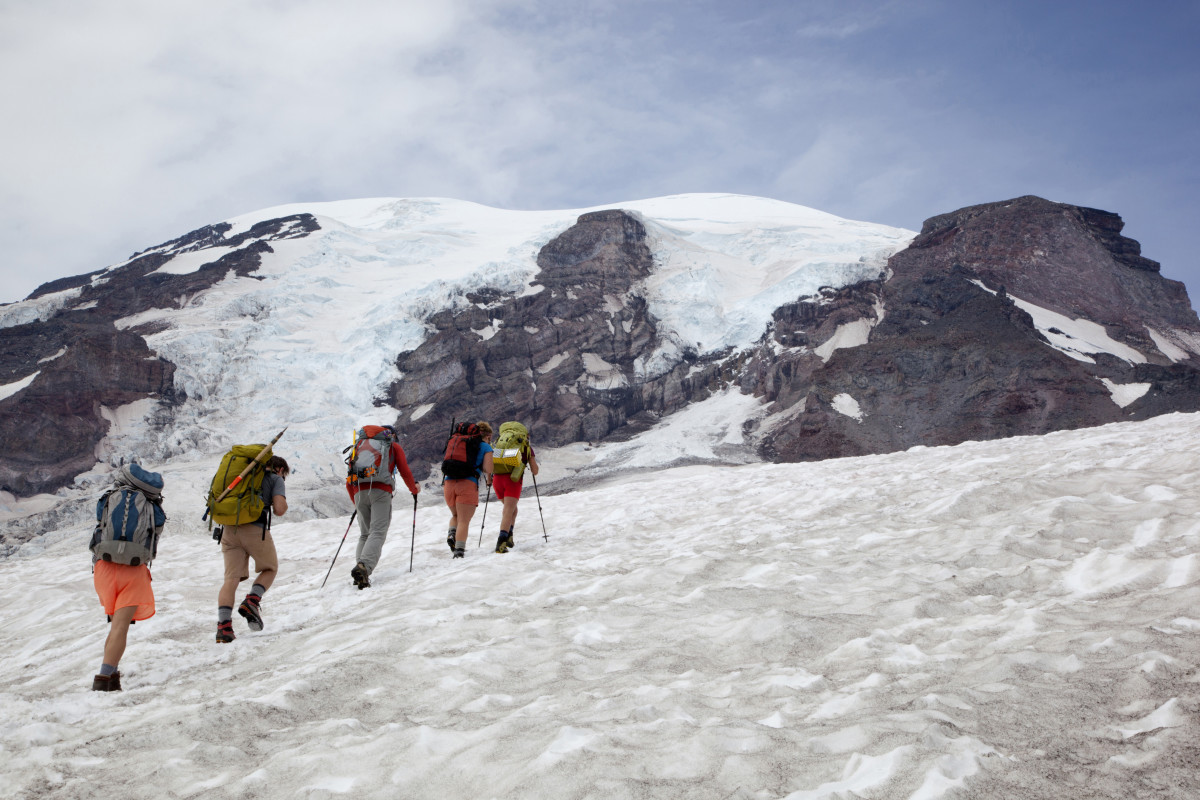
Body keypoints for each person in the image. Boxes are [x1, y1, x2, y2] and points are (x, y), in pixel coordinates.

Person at [91, 465, 165, 691]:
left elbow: (100, 524)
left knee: (115, 625)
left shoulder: (108, 498)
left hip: (104, 568)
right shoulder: (153, 507)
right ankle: (103, 679)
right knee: (121, 627)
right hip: (133, 571)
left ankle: (112, 677)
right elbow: (156, 531)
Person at [217, 455, 289, 642]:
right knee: (270, 568)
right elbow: (280, 510)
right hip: (255, 529)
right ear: (280, 469)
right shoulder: (275, 479)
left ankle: (224, 628)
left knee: (230, 579)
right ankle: (252, 601)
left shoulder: (242, 477)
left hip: (229, 530)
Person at [346, 426, 420, 589]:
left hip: (359, 491)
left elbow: (349, 478)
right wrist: (413, 489)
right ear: (390, 435)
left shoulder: (360, 446)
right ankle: (364, 567)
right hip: (380, 491)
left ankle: (361, 570)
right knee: (378, 531)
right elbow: (405, 470)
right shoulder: (392, 447)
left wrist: (356, 501)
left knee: (365, 534)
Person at [444, 421, 494, 559]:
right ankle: (459, 551)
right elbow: (488, 469)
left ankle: (451, 533)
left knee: (455, 516)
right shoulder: (484, 447)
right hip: (467, 484)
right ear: (488, 435)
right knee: (464, 521)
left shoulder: (457, 442)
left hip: (448, 483)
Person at [491, 422, 539, 554]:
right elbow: (535, 471)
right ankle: (501, 543)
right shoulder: (526, 447)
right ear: (525, 435)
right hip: (513, 480)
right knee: (508, 511)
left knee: (512, 510)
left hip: (497, 479)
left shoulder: (500, 444)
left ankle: (509, 537)